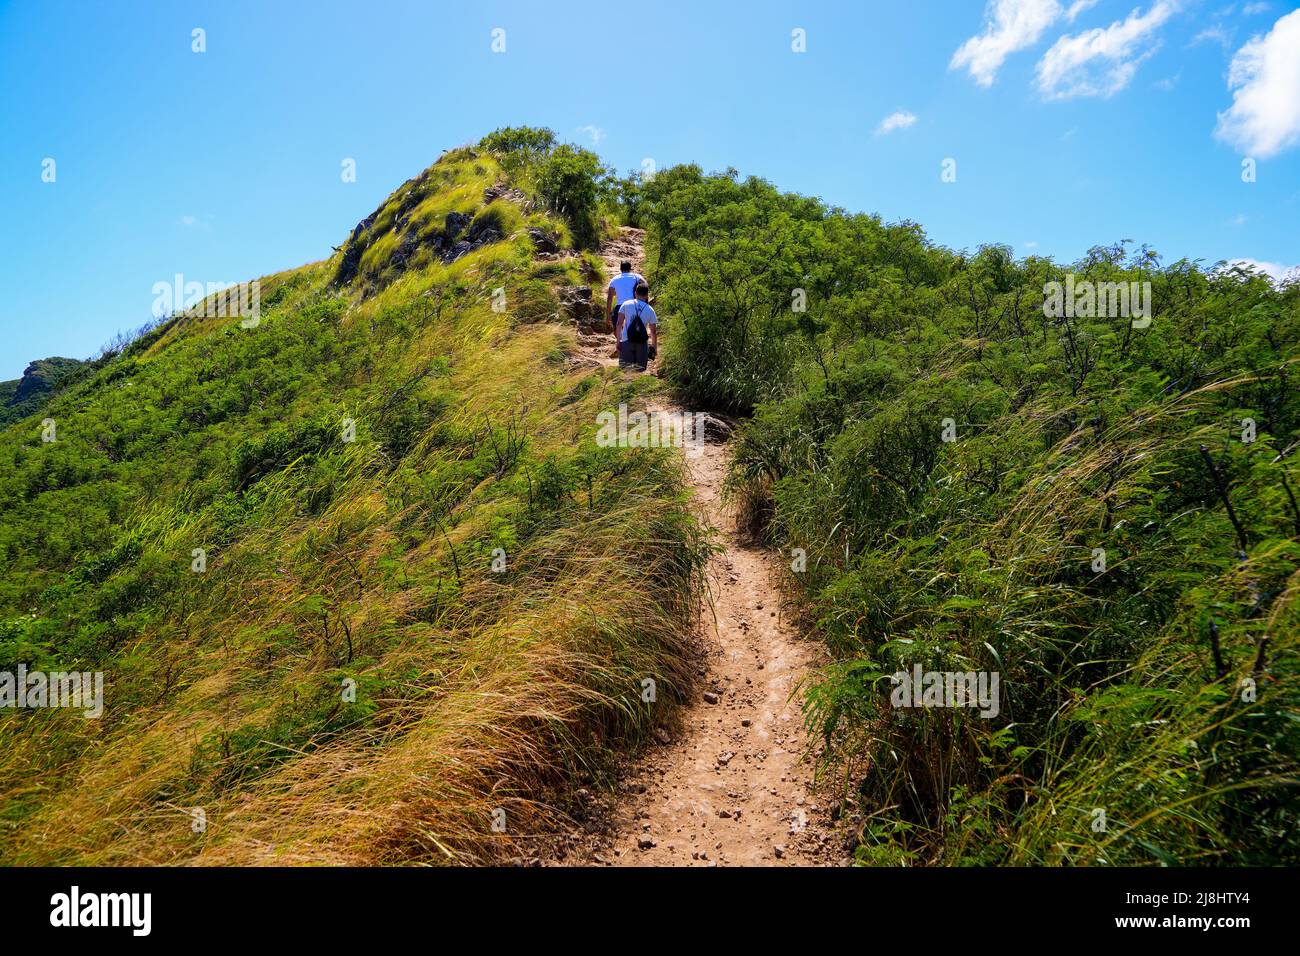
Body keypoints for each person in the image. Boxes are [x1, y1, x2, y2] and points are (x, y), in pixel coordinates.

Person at [616, 281, 657, 372]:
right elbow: (653, 332)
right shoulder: (650, 310)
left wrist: (618, 341)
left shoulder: (626, 304)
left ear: (635, 293)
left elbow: (619, 324)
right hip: (642, 343)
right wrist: (654, 348)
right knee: (639, 372)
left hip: (627, 340)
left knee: (625, 371)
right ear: (647, 295)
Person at [606, 260, 644, 347]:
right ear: (630, 268)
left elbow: (609, 298)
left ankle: (621, 344)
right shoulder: (636, 277)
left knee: (617, 327)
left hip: (620, 306)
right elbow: (645, 285)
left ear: (620, 269)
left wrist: (607, 316)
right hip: (633, 304)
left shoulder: (614, 279)